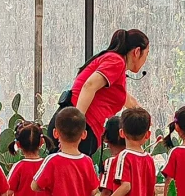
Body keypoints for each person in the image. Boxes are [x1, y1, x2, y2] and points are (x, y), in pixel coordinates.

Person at [62, 29, 150, 157]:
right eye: (146, 54)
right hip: (78, 127)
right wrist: (76, 126)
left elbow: (127, 100)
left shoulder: (115, 64)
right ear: (137, 52)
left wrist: (145, 119)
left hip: (79, 125)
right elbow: (89, 86)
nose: (146, 60)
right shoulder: (117, 62)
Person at [31, 105, 99, 196]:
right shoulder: (87, 161)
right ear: (84, 134)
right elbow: (93, 190)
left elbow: (35, 185)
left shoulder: (52, 160)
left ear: (55, 133)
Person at [93, 107, 155, 196]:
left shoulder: (124, 156)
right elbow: (152, 192)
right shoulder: (149, 159)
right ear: (148, 135)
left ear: (121, 132)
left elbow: (126, 186)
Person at [6, 122, 51, 196]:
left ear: (18, 144)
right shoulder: (49, 165)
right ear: (42, 142)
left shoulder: (18, 167)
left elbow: (7, 195)